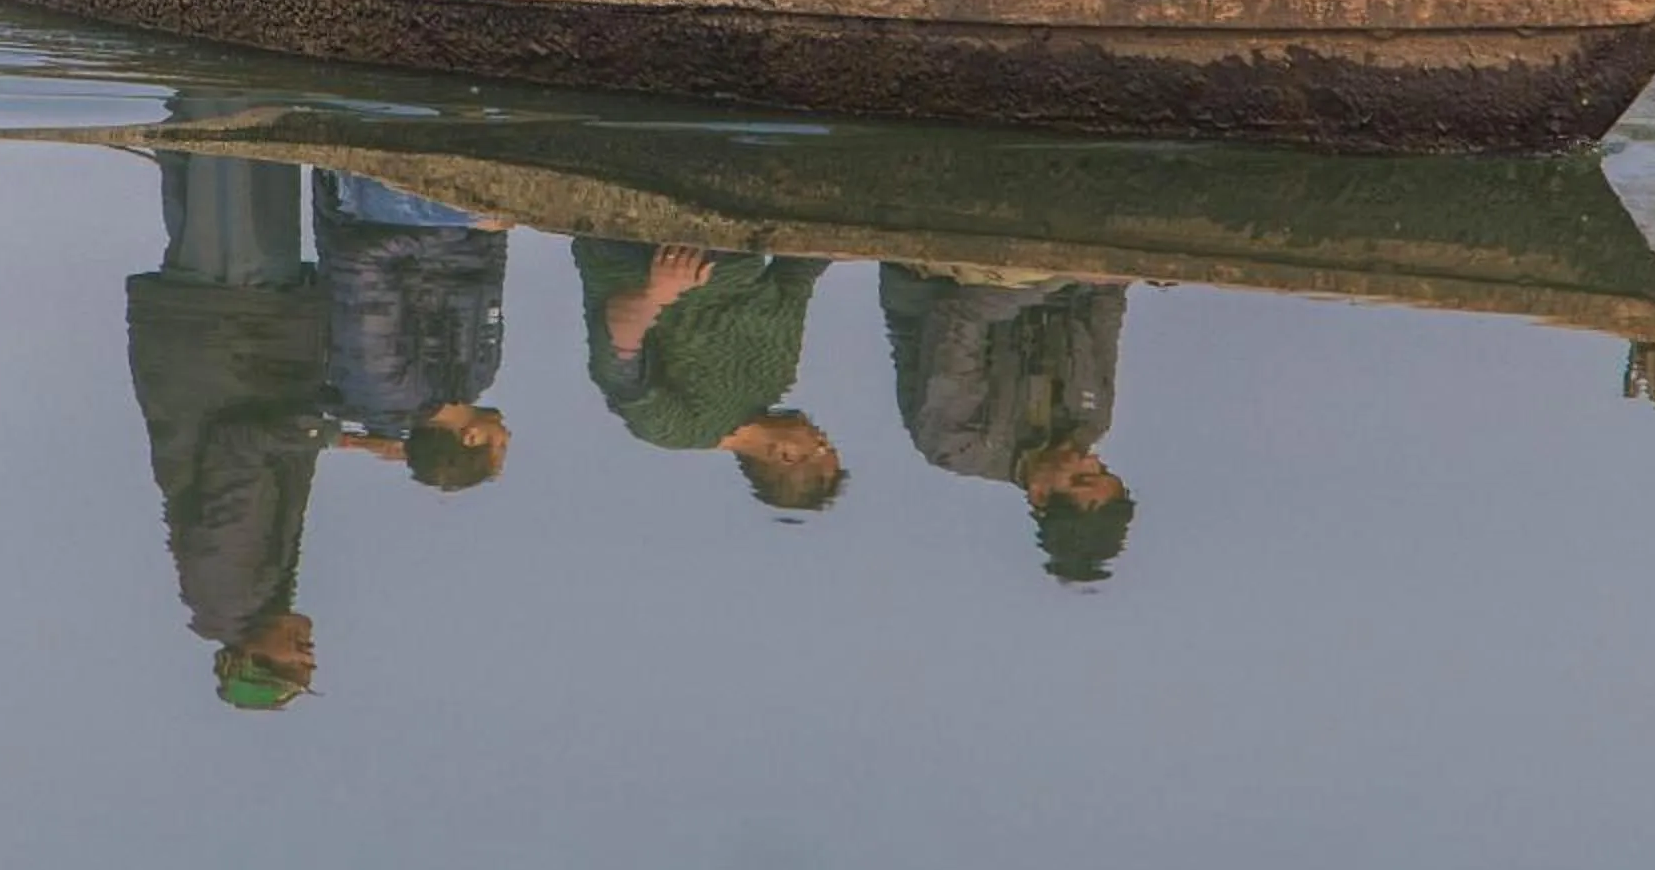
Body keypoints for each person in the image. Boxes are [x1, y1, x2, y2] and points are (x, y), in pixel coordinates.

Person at [124, 97, 331, 710]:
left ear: (250, 655)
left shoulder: (226, 584)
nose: (308, 654)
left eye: (291, 664)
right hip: (217, 332)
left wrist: (334, 435)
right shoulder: (244, 593)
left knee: (240, 152)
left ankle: (227, 73)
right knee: (204, 162)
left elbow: (237, 446)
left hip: (232, 329)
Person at [878, 266, 1136, 583]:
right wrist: (1120, 273)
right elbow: (1105, 311)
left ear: (1040, 494)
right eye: (1102, 470)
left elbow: (957, 315)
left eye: (1079, 477)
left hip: (938, 279)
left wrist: (1058, 275)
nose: (1090, 459)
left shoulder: (958, 444)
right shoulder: (1092, 420)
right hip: (1048, 275)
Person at [574, 240, 846, 513]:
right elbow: (798, 271)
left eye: (821, 448)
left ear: (786, 455)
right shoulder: (779, 375)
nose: (823, 435)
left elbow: (615, 358)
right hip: (736, 231)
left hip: (638, 247)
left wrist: (655, 295)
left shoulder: (677, 430)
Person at [312, 169, 513, 492]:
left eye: (500, 447)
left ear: (471, 438)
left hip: (380, 208)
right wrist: (492, 228)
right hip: (447, 213)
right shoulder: (478, 377)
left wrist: (456, 222)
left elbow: (359, 260)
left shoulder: (381, 385)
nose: (508, 437)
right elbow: (488, 279)